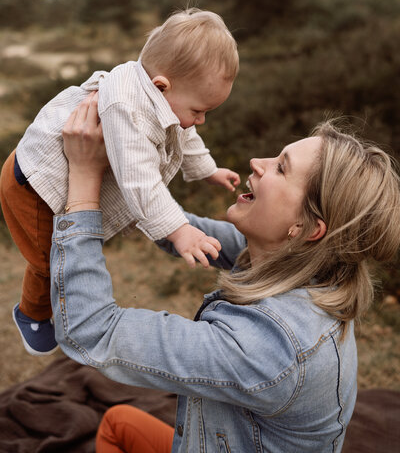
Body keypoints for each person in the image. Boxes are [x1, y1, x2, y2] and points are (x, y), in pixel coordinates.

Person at [49, 95, 400, 453]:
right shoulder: (316, 265)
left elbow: (90, 329)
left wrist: (83, 180)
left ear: (308, 227)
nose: (257, 162)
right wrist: (126, 174)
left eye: (280, 168)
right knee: (117, 424)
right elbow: (181, 231)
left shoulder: (268, 348)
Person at [0, 8, 240, 357]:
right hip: (33, 185)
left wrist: (207, 169)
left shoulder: (162, 100)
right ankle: (31, 314)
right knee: (50, 259)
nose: (200, 121)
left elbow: (184, 137)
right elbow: (139, 180)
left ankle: (43, 306)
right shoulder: (126, 107)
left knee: (60, 252)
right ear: (162, 86)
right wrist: (178, 230)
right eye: (199, 110)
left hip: (49, 178)